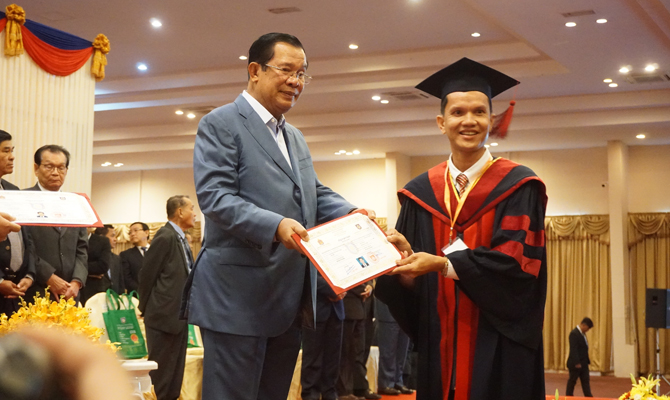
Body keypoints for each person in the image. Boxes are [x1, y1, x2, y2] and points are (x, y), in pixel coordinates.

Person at [183, 32, 372, 400]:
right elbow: (215, 197)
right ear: (255, 70)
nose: (295, 81)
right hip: (237, 299)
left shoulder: (294, 136)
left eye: (302, 74)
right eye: (286, 70)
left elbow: (313, 192)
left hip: (287, 299)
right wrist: (276, 225)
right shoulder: (221, 123)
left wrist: (353, 214)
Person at [376, 58, 548, 400]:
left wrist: (443, 265)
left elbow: (517, 267)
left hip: (497, 345)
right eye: (457, 112)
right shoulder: (420, 194)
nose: (469, 121)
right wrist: (405, 274)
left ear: (491, 120)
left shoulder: (519, 186)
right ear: (442, 123)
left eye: (479, 112)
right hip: (439, 343)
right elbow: (407, 287)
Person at [139, 195, 195, 400]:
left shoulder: (181, 238)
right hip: (163, 317)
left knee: (174, 378)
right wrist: (145, 308)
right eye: (191, 208)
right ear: (179, 211)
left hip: (178, 318)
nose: (194, 214)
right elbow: (147, 274)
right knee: (161, 378)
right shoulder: (165, 236)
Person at [24, 145, 88, 303]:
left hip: (70, 294)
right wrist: (48, 277)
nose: (55, 172)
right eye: (49, 166)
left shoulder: (75, 203)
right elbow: (24, 247)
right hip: (36, 291)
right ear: (36, 169)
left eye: (61, 168)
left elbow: (82, 249)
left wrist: (77, 281)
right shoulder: (22, 199)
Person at [0, 130, 35, 315]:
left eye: (12, 150)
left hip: (17, 292)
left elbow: (27, 239)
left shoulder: (13, 190)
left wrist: (29, 275)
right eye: (6, 151)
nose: (12, 156)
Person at [301, 272, 346, 400]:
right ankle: (310, 394)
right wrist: (334, 289)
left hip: (336, 309)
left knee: (333, 358)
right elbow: (308, 276)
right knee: (312, 357)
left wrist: (344, 288)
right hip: (315, 309)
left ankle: (330, 392)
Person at [338, 283, 374, 400]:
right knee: (345, 352)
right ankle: (343, 391)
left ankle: (351, 389)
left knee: (356, 352)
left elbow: (367, 276)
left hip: (360, 309)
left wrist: (370, 286)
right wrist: (363, 289)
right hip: (346, 305)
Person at [376, 301, 413, 395]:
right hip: (388, 313)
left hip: (405, 314)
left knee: (402, 351)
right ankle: (386, 383)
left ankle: (398, 381)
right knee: (388, 351)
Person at [79, 228, 111, 305]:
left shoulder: (103, 241)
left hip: (95, 289)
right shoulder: (71, 240)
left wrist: (78, 267)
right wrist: (88, 273)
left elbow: (103, 266)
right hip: (75, 288)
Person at [566, 317, 594, 397]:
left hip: (584, 363)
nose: (587, 330)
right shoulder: (574, 334)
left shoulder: (583, 334)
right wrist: (577, 362)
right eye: (587, 328)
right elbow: (573, 349)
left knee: (585, 381)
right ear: (583, 325)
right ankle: (568, 396)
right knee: (572, 381)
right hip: (575, 364)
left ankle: (589, 397)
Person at [119, 222, 149, 292]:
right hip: (136, 294)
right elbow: (126, 279)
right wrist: (142, 291)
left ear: (146, 233)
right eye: (130, 232)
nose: (132, 234)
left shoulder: (158, 251)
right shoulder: (125, 255)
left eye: (136, 230)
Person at [100, 224, 125, 294]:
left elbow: (120, 282)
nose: (115, 239)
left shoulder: (117, 258)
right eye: (112, 236)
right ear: (101, 237)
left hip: (114, 296)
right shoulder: (91, 256)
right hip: (97, 297)